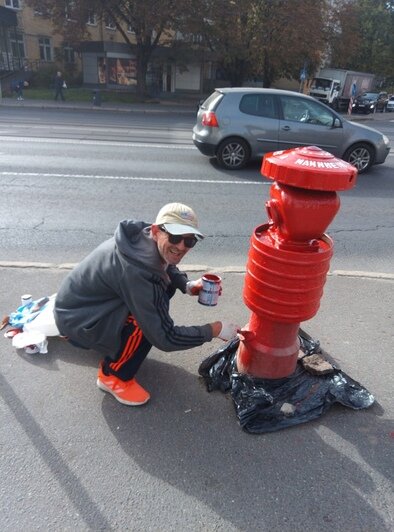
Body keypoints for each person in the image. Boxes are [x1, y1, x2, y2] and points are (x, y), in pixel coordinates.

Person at [54, 203, 240, 406]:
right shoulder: (138, 271)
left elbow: (165, 264)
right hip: (78, 321)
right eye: (176, 237)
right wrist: (214, 330)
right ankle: (113, 375)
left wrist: (186, 285)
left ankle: (111, 343)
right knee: (145, 324)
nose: (181, 247)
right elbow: (165, 338)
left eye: (189, 240)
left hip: (81, 309)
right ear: (156, 230)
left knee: (157, 300)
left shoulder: (142, 241)